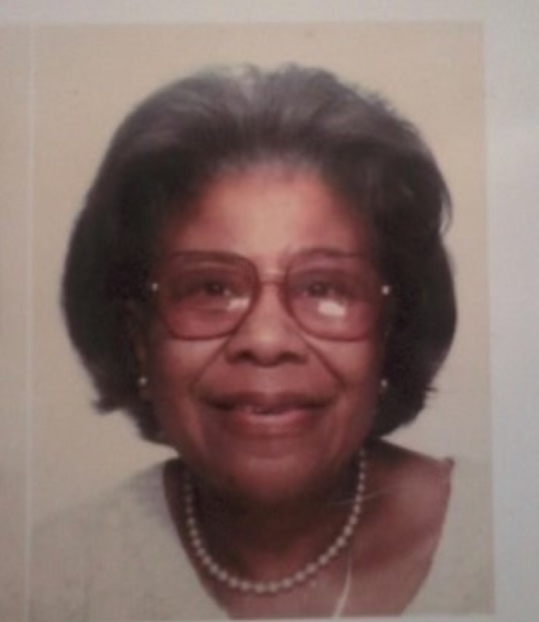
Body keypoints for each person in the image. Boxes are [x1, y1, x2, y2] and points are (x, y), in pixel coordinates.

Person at [31, 64, 491, 619]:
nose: (266, 341)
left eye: (324, 287)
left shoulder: (507, 532)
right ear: (139, 342)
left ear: (389, 330)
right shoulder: (50, 577)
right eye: (210, 288)